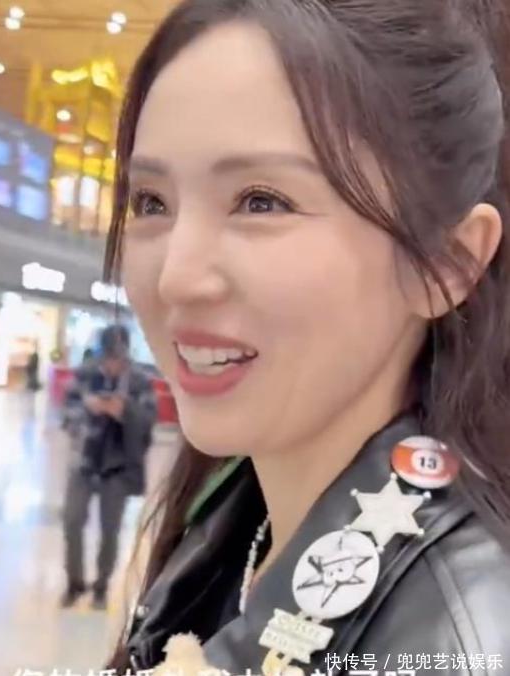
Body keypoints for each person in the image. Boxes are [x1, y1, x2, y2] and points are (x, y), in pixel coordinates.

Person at [103, 0, 510, 672]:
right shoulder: (234, 528)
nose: (176, 277)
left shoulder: (456, 636)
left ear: (447, 264)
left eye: (261, 201)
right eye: (151, 202)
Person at [61, 325, 157, 610]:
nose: (113, 365)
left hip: (118, 466)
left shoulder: (139, 381)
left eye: (119, 358)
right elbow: (66, 413)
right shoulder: (84, 375)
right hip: (84, 462)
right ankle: (74, 582)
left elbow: (149, 420)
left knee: (110, 528)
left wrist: (124, 411)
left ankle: (102, 585)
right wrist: (88, 408)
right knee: (72, 520)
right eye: (109, 358)